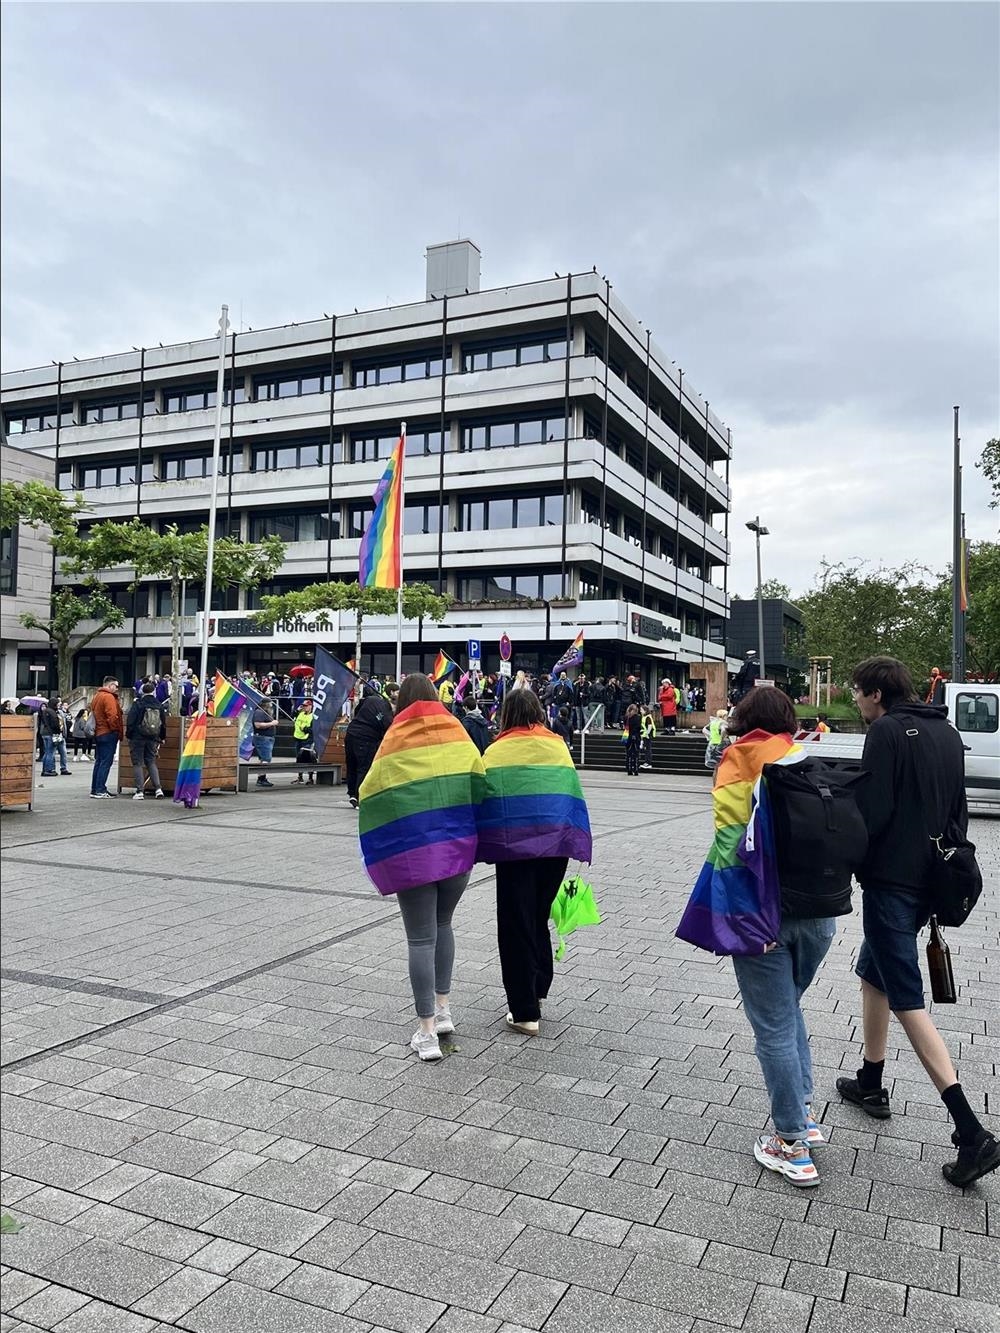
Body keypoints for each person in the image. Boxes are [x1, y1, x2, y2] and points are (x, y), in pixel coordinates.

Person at [838, 656, 999, 1187]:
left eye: (858, 693)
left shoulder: (885, 732)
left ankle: (970, 1131)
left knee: (906, 997)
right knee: (874, 972)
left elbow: (872, 810)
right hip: (932, 878)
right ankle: (870, 1080)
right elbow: (959, 810)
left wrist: (847, 858)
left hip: (891, 883)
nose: (856, 702)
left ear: (877, 694)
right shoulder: (947, 732)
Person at [682, 687, 832, 1187]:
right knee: (788, 1009)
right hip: (820, 914)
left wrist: (746, 923)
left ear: (744, 721)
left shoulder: (740, 760)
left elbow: (729, 846)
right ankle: (804, 1118)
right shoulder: (803, 754)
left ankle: (790, 1143)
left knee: (771, 1024)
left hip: (766, 917)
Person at [358, 674, 485, 1061]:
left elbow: (370, 791)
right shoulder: (457, 733)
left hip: (413, 854)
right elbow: (479, 780)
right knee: (444, 925)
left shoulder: (394, 739)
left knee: (419, 939)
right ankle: (444, 1011)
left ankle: (427, 1032)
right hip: (456, 852)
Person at [477, 687, 592, 1035]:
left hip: (514, 850)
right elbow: (569, 793)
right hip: (555, 846)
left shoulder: (496, 751)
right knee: (538, 914)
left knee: (514, 921)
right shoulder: (558, 746)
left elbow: (486, 797)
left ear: (507, 714)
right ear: (538, 711)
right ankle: (538, 986)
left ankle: (525, 1010)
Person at [345, 691, 393, 809]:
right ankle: (359, 797)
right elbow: (387, 734)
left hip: (351, 733)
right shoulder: (388, 718)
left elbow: (358, 707)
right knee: (364, 767)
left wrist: (358, 718)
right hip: (366, 739)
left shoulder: (372, 699)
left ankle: (352, 793)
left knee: (351, 765)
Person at [125, 682, 167, 800]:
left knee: (138, 763)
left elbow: (131, 721)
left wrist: (129, 735)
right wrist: (162, 737)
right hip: (153, 738)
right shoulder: (159, 705)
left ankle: (139, 791)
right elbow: (163, 723)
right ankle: (158, 789)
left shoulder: (138, 704)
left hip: (137, 737)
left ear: (142, 691)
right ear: (153, 691)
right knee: (151, 762)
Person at [89, 677, 124, 798]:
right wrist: (115, 729)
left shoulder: (97, 696)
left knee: (99, 762)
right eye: (116, 686)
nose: (117, 688)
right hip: (108, 732)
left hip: (98, 732)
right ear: (110, 685)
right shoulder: (108, 697)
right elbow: (113, 715)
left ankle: (95, 789)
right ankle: (100, 790)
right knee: (105, 762)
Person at [39, 699, 72, 777]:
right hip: (51, 733)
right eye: (57, 704)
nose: (58, 706)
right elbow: (55, 724)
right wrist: (58, 731)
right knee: (51, 752)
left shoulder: (45, 711)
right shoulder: (53, 712)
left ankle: (45, 769)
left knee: (47, 752)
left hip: (45, 733)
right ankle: (49, 770)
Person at [251, 697, 279, 788]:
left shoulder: (265, 713)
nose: (271, 706)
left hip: (267, 738)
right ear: (266, 704)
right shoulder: (259, 712)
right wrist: (272, 723)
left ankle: (262, 777)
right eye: (270, 704)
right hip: (263, 738)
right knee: (266, 758)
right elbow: (258, 725)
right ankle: (261, 778)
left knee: (263, 759)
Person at [291, 698, 316, 784]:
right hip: (298, 738)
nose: (304, 707)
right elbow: (292, 715)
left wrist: (305, 729)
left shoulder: (313, 716)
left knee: (308, 758)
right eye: (303, 706)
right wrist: (297, 709)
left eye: (306, 706)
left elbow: (314, 730)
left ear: (310, 706)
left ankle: (310, 777)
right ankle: (300, 777)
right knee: (298, 759)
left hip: (307, 739)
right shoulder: (300, 714)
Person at [623, 702, 641, 776]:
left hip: (627, 736)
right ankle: (636, 769)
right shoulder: (638, 717)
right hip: (636, 736)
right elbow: (638, 727)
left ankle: (629, 769)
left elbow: (625, 726)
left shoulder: (626, 717)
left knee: (628, 753)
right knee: (636, 753)